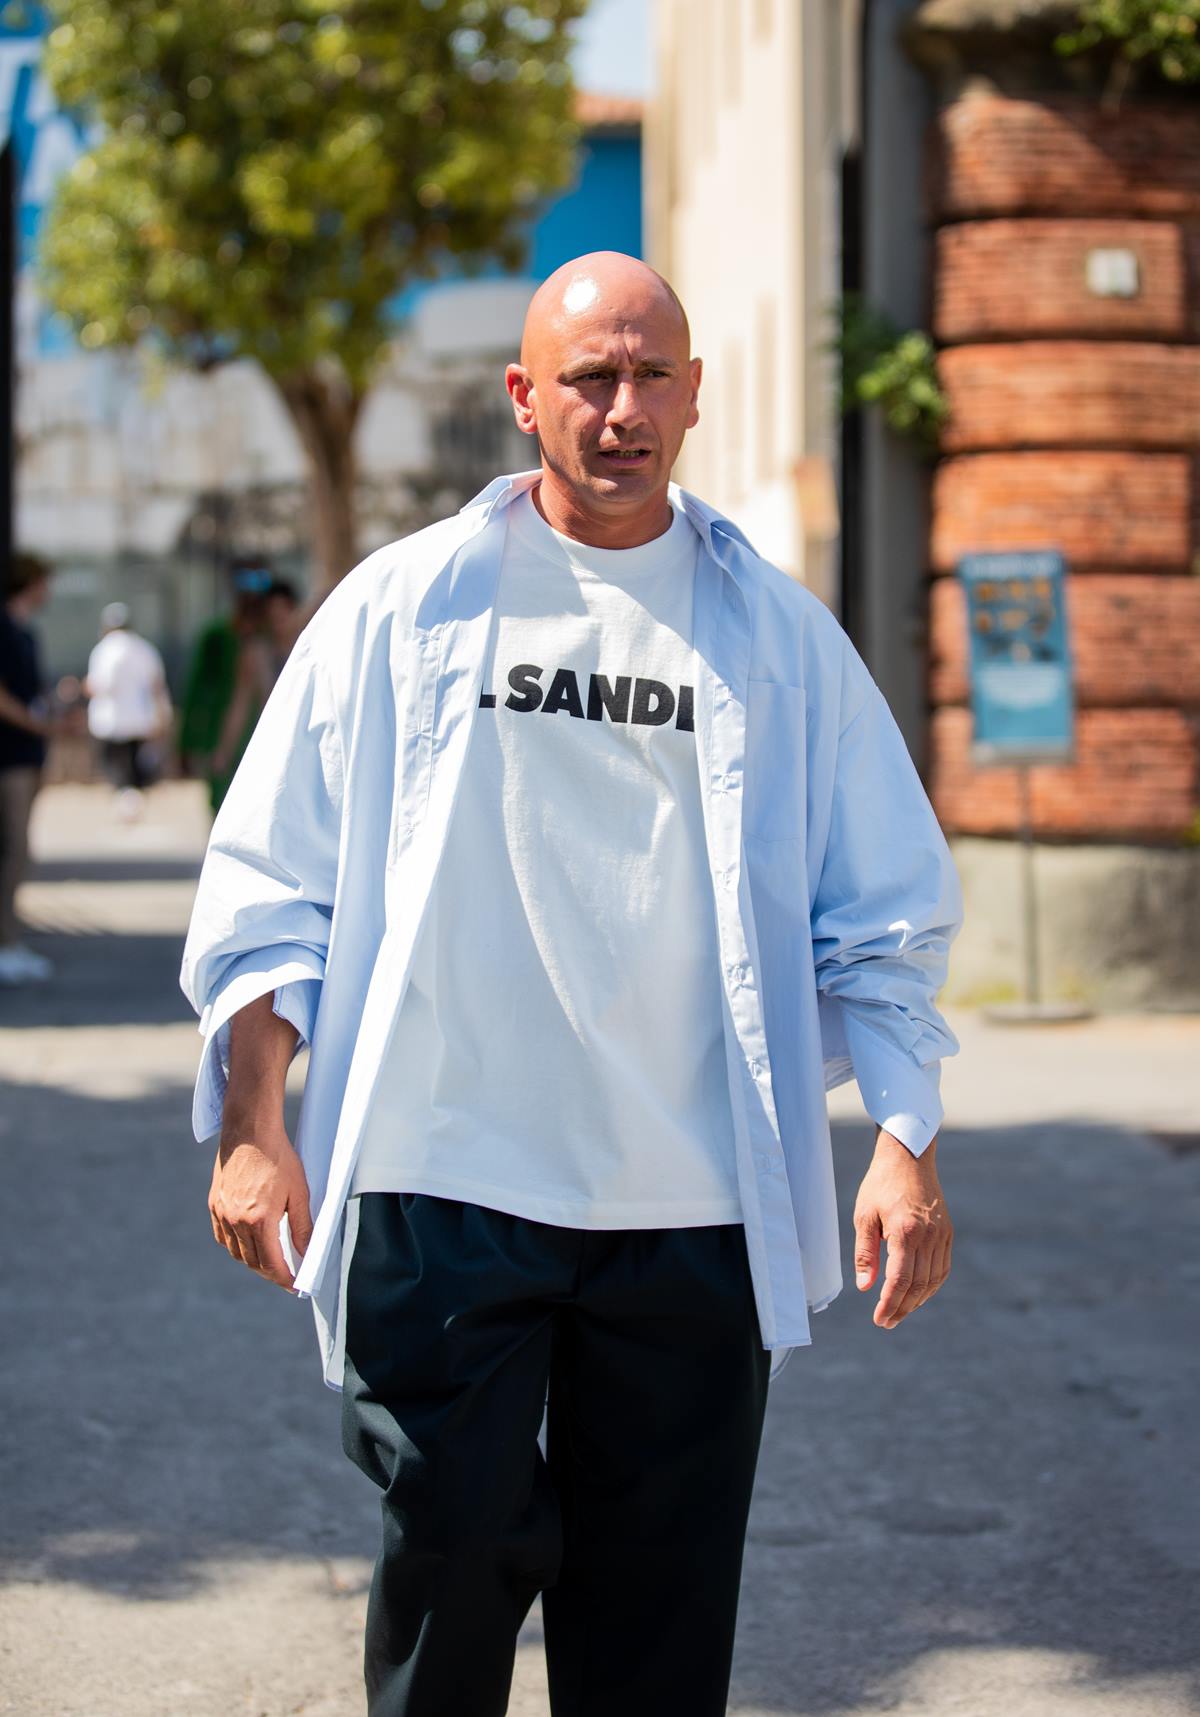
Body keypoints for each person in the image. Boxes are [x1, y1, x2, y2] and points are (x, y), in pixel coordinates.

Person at [181, 253, 963, 1717]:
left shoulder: (780, 639)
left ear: (695, 393)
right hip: (443, 1177)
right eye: (588, 379)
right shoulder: (405, 610)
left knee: (661, 1606)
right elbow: (269, 882)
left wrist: (905, 1144)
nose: (622, 409)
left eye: (651, 374)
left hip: (695, 1200)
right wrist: (250, 1116)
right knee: (452, 1549)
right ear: (523, 398)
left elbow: (886, 910)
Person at [0, 553, 56, 985]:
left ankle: (10, 939)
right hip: (10, 755)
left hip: (26, 753)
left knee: (18, 850)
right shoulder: (5, 630)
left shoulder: (24, 632)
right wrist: (41, 724)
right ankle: (5, 943)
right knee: (13, 849)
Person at [179, 562, 272, 815]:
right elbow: (199, 693)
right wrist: (189, 744)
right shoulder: (217, 637)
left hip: (258, 745)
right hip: (226, 743)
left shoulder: (279, 637)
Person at [208, 577, 303, 783]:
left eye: (283, 615)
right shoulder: (256, 653)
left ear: (294, 611)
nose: (279, 623)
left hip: (306, 739)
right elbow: (240, 703)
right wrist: (225, 750)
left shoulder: (310, 646)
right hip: (273, 741)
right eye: (273, 616)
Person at [84, 603, 172, 820]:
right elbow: (157, 685)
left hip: (111, 721)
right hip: (141, 719)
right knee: (133, 765)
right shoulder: (144, 648)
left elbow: (99, 685)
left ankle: (127, 800)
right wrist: (162, 714)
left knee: (117, 767)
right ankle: (132, 799)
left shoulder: (104, 649)